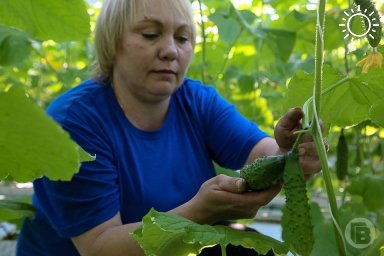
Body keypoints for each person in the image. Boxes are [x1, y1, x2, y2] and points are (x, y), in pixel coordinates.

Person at [16, 0, 321, 255]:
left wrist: (287, 151)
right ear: (112, 43)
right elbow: (99, 248)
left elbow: (259, 152)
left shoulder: (197, 100)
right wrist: (200, 211)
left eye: (182, 38)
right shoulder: (74, 123)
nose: (170, 51)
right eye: (150, 34)